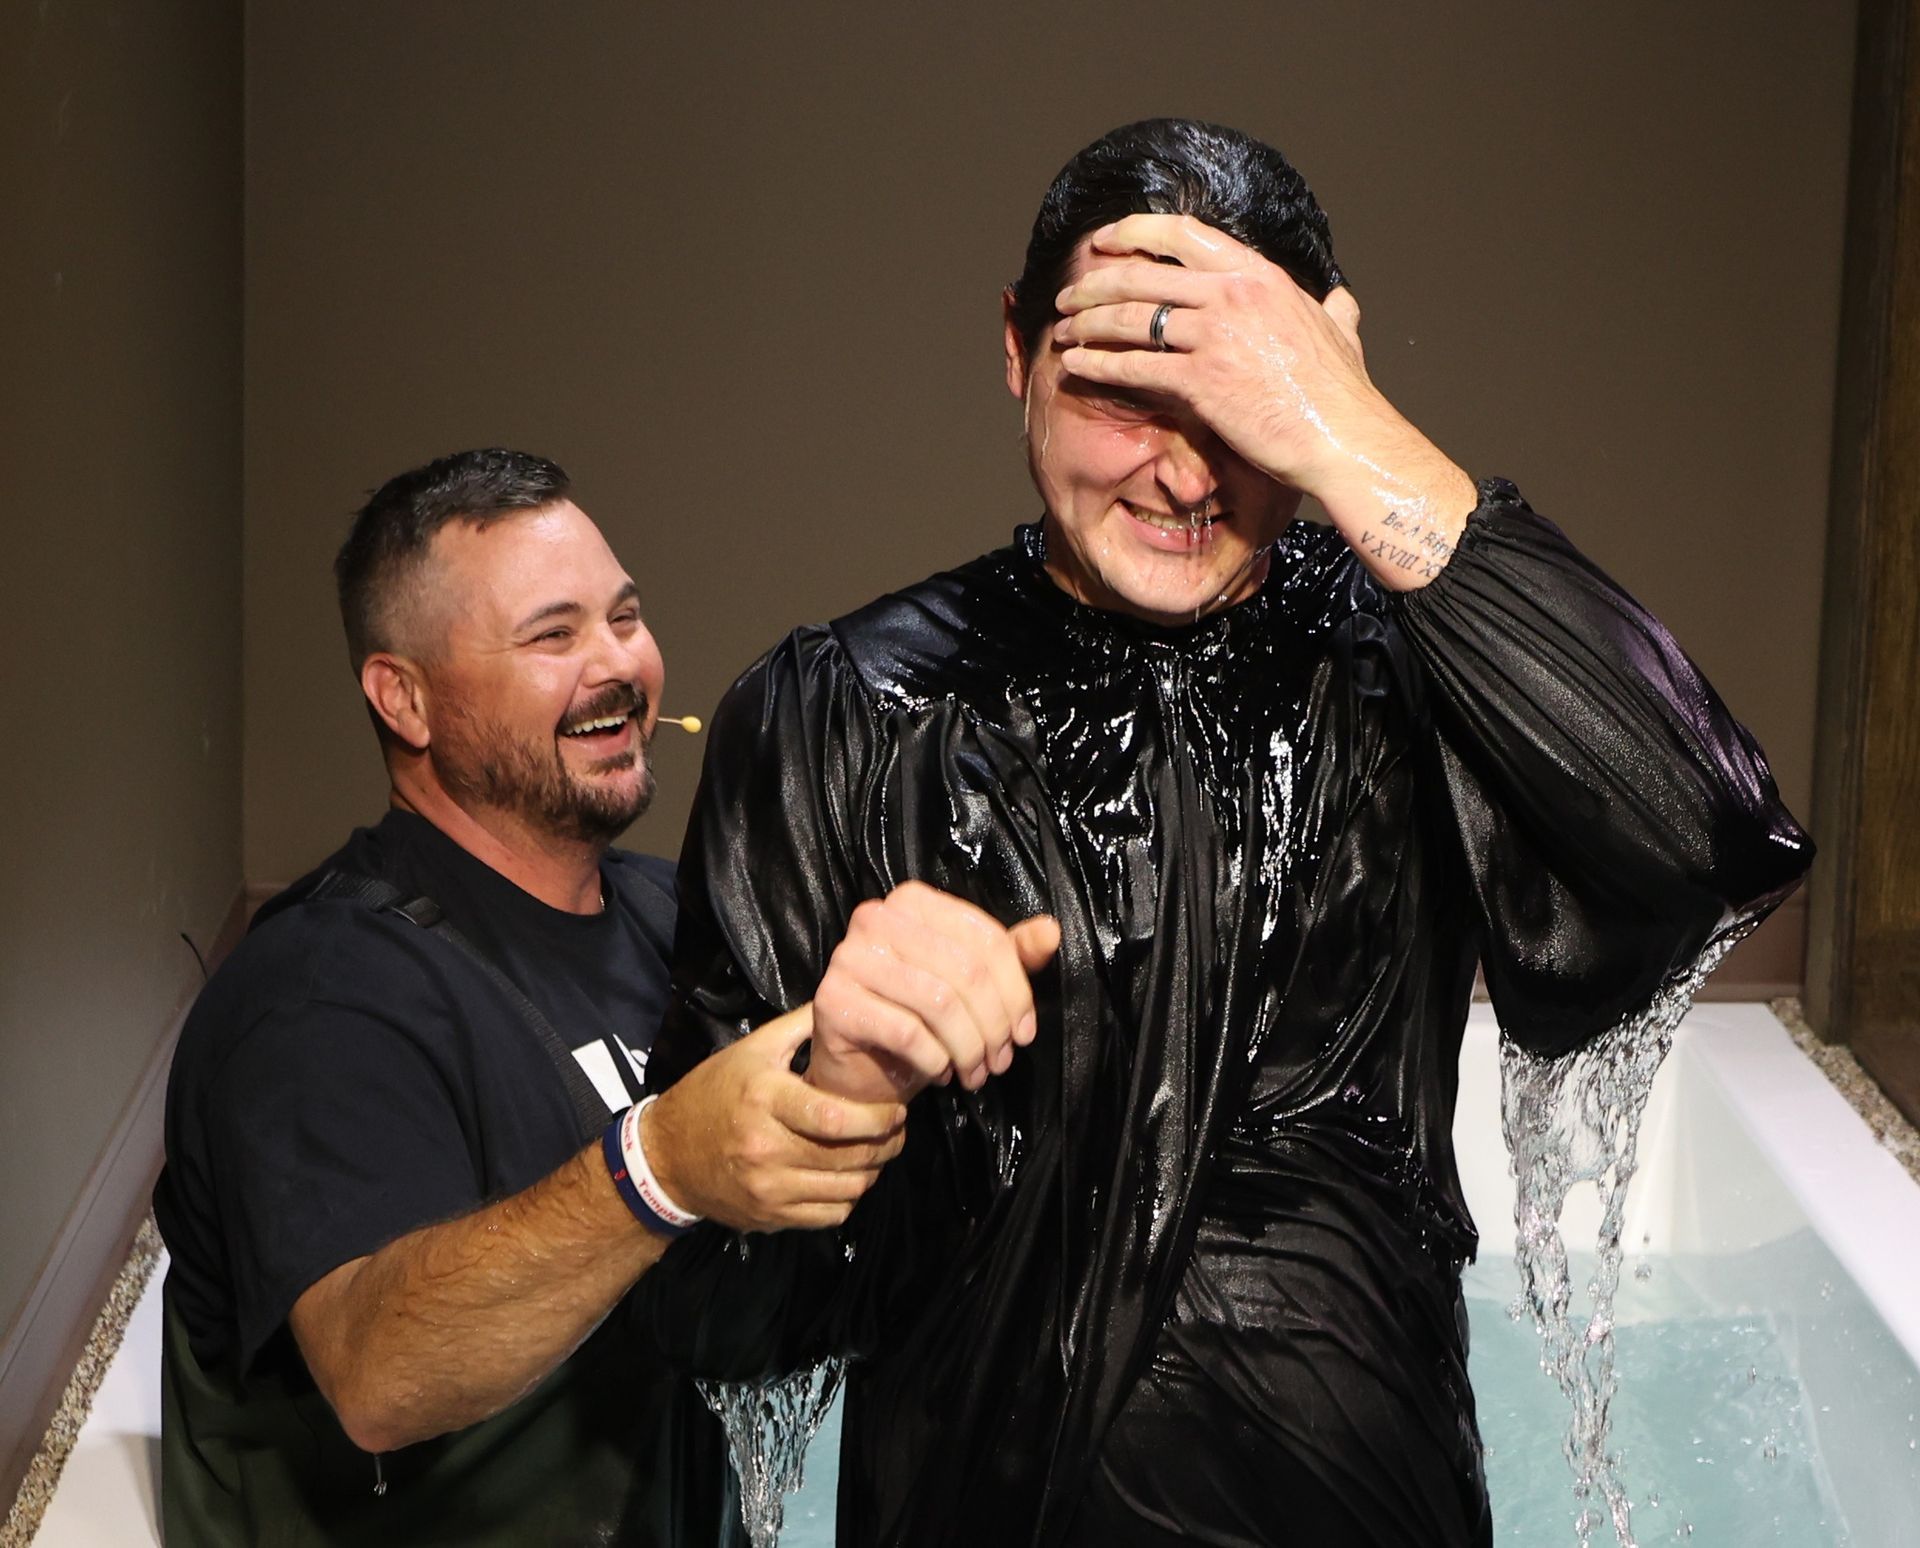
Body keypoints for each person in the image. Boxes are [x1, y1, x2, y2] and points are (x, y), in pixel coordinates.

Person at [636, 120, 1814, 1547]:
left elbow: (1707, 847)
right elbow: (719, 1316)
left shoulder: (1406, 672)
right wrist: (844, 1084)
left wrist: (1350, 433)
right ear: (1017, 345)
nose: (1188, 478)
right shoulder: (838, 715)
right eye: (1130, 390)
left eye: (1239, 408)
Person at [153, 448, 1057, 1546]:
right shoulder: (318, 996)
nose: (618, 665)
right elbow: (377, 1373)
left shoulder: (669, 914)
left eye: (624, 618)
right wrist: (661, 1165)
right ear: (406, 698)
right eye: (553, 635)